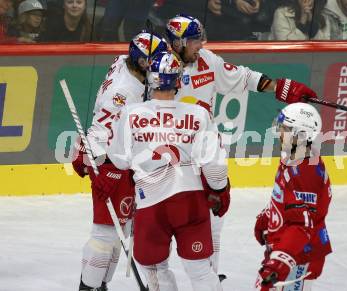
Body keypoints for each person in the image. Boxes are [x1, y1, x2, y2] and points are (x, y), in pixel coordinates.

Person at [165, 14, 317, 277]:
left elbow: (244, 78)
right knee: (164, 225)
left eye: (200, 40)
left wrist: (282, 87)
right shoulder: (159, 69)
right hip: (167, 159)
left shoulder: (208, 61)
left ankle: (211, 276)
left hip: (205, 156)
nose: (199, 46)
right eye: (193, 42)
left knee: (214, 218)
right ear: (176, 44)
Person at [107, 51, 230, 291]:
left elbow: (119, 161)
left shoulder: (131, 114)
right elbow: (215, 173)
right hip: (190, 203)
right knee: (201, 270)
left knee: (154, 269)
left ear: (151, 78)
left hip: (151, 206)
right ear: (178, 80)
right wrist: (220, 190)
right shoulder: (199, 114)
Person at [71, 31, 168, 291]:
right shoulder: (123, 92)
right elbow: (102, 128)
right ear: (142, 62)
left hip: (120, 159)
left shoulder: (124, 62)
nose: (159, 65)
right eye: (155, 60)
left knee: (120, 231)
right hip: (107, 161)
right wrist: (99, 166)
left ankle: (100, 284)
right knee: (105, 233)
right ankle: (88, 287)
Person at [254, 102, 332, 291]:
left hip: (299, 258)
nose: (280, 132)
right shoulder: (293, 157)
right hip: (287, 251)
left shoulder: (306, 173)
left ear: (302, 134)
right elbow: (285, 198)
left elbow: (302, 226)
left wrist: (280, 262)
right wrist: (269, 217)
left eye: (285, 128)